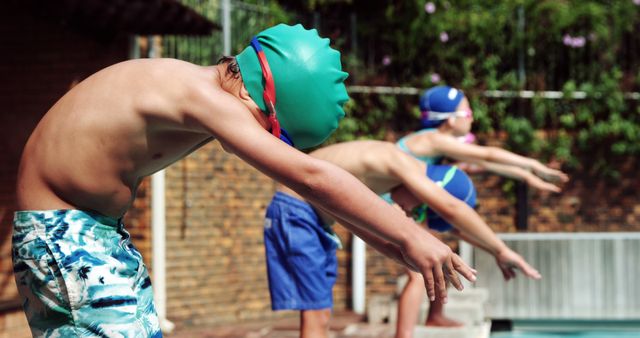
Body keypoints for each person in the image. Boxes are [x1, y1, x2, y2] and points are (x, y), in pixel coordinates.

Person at [12, 24, 475, 337]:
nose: (261, 140)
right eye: (269, 128)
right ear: (262, 96)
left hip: (91, 232)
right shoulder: (202, 96)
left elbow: (323, 196)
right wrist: (411, 234)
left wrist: (393, 245)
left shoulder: (207, 95)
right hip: (63, 231)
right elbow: (311, 176)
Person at [263, 140, 535, 338]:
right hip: (296, 211)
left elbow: (454, 227)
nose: (410, 213)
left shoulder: (391, 178)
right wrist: (501, 250)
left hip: (312, 219)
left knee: (320, 316)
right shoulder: (398, 161)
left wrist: (489, 248)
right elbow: (452, 208)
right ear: (429, 190)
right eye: (419, 208)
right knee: (315, 317)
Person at [395, 85, 567, 335]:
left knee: (441, 256)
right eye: (467, 112)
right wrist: (533, 165)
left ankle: (435, 316)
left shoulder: (435, 145)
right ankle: (403, 335)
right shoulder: (433, 139)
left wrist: (526, 177)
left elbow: (482, 162)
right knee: (416, 276)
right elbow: (487, 153)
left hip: (408, 204)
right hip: (389, 203)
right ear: (450, 120)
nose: (472, 116)